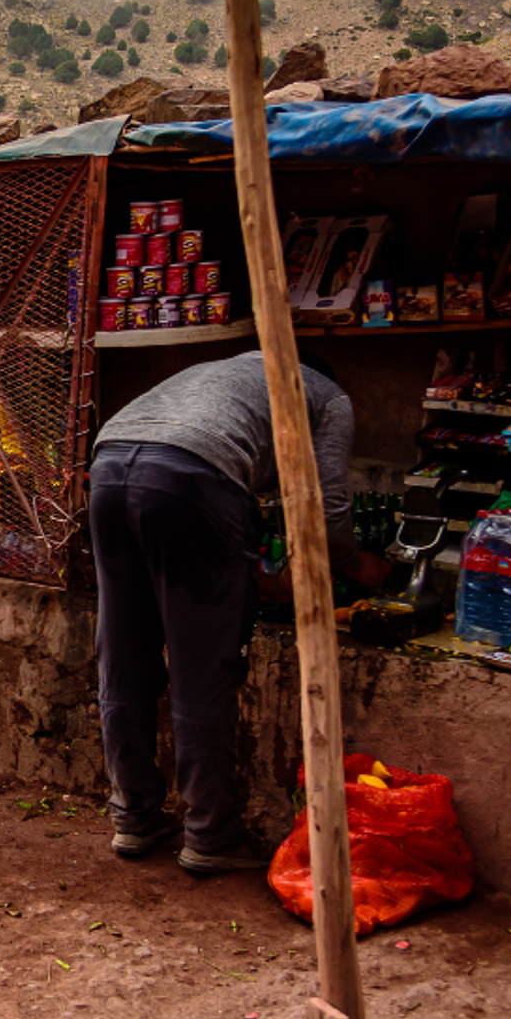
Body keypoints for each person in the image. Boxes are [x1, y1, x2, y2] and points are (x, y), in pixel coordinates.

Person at [88, 351, 388, 874]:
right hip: (192, 477)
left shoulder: (228, 372)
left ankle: (133, 816)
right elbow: (326, 506)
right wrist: (357, 565)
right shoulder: (327, 395)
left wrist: (264, 582)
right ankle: (211, 833)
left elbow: (208, 545)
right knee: (202, 670)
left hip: (110, 470)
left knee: (124, 654)